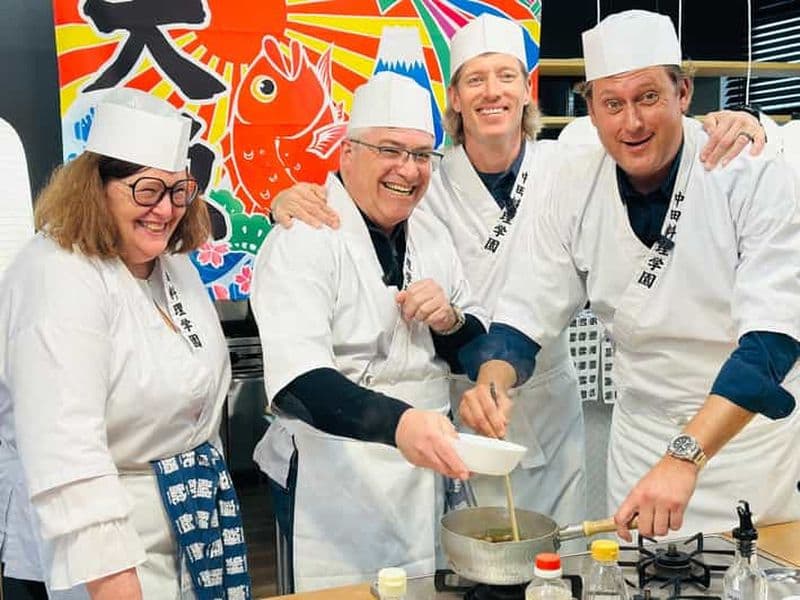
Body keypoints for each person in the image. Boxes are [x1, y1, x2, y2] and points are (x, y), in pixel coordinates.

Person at [265, 13, 765, 534]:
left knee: (558, 548)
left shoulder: (572, 160)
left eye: (506, 76)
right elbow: (363, 215)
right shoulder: (426, 185)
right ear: (455, 98)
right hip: (466, 404)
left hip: (553, 398)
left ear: (527, 89)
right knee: (473, 548)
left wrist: (742, 118)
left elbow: (661, 141)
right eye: (475, 79)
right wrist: (284, 203)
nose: (492, 92)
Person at [459, 9, 800, 542]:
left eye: (648, 97)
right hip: (642, 440)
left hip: (743, 444)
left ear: (683, 93)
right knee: (634, 574)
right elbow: (528, 305)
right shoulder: (575, 178)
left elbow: (772, 338)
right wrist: (493, 379)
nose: (632, 123)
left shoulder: (748, 170)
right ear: (591, 108)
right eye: (612, 104)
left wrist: (686, 456)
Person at [0, 88, 250, 599]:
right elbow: (66, 450)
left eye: (178, 191)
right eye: (146, 190)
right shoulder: (57, 276)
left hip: (186, 520)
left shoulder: (172, 264)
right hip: (99, 544)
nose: (166, 209)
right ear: (96, 188)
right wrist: (113, 579)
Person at [250, 71, 487, 593]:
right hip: (334, 475)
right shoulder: (302, 238)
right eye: (390, 150)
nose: (408, 169)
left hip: (421, 472)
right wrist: (401, 424)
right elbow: (298, 382)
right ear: (348, 154)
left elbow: (473, 351)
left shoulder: (432, 235)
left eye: (421, 155)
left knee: (424, 588)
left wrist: (449, 320)